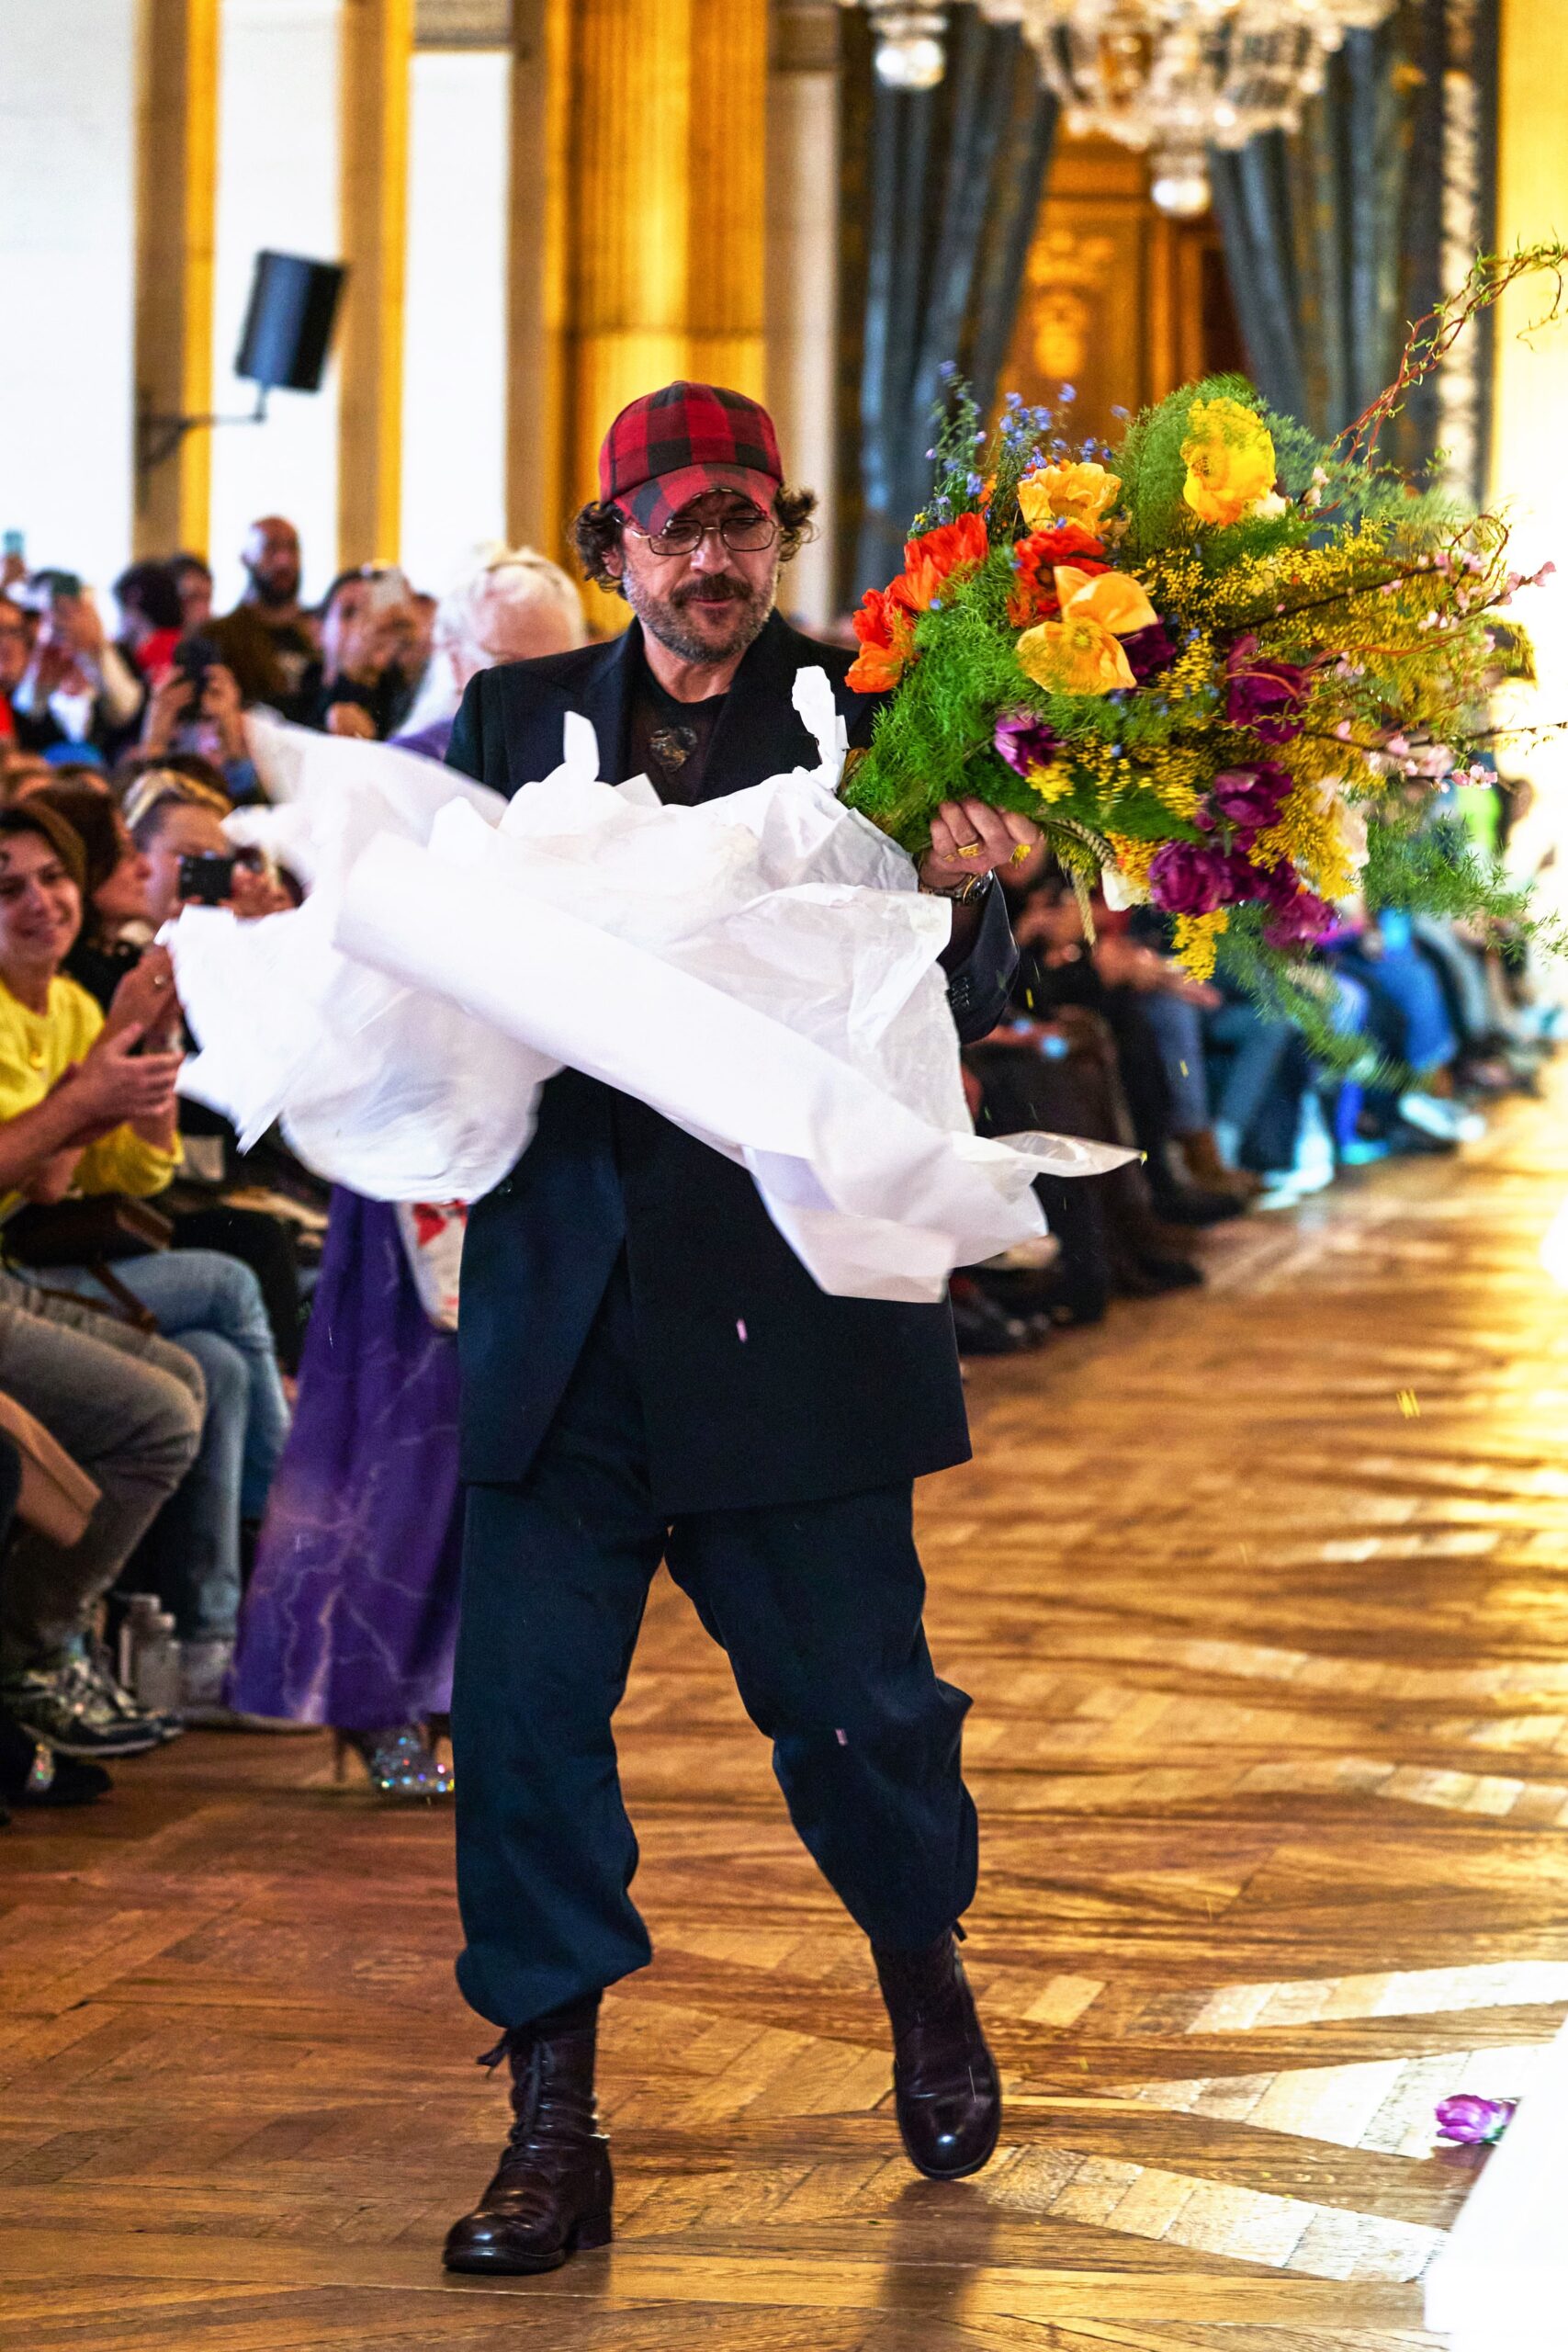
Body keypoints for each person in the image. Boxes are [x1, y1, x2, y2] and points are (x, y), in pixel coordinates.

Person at [440, 381, 1037, 2278]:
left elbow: (970, 977)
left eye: (744, 523)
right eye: (677, 523)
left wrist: (978, 886)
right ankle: (551, 2119)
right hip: (565, 1316)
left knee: (865, 1715)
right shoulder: (511, 720)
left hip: (793, 1310)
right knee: (525, 1724)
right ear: (613, 538)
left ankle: (920, 1973)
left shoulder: (865, 708)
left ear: (779, 540)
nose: (712, 558)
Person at [0, 801, 291, 1720]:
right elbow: (45, 1173)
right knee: (210, 1322)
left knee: (203, 1367)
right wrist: (92, 1083)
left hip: (29, 1264)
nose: (41, 902)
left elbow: (132, 1165)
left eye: (51, 879)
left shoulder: (76, 998)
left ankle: (210, 1631)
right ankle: (29, 1652)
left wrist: (154, 1038)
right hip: (25, 1268)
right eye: (9, 888)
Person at [395, 547, 586, 762]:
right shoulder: (409, 765)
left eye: (559, 668)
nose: (537, 690)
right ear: (455, 661)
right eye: (509, 667)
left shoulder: (595, 754)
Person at [204, 517, 319, 718]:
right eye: (270, 549)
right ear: (246, 558)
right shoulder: (219, 636)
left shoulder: (321, 631)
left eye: (292, 548)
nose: (284, 560)